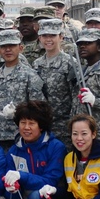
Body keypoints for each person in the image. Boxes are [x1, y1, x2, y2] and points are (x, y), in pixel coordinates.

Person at [1, 100, 65, 199]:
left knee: (37, 197)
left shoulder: (55, 147)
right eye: (23, 123)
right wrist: (11, 189)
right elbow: (13, 197)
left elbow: (50, 181)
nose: (26, 127)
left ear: (41, 126)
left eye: (32, 123)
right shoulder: (14, 151)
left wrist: (22, 177)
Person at [0, 29, 45, 147]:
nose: (8, 50)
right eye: (4, 46)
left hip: (22, 136)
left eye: (12, 46)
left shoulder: (30, 75)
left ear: (20, 48)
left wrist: (19, 113)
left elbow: (39, 109)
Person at [33, 18, 80, 150]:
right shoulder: (37, 64)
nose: (48, 39)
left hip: (64, 127)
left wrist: (73, 126)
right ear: (40, 38)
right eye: (45, 36)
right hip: (43, 126)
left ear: (61, 37)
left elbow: (76, 97)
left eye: (53, 35)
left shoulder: (70, 63)